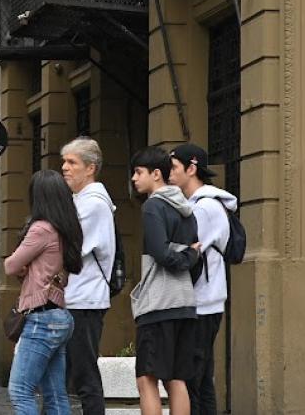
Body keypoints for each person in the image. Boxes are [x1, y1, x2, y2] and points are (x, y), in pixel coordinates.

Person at [3, 169, 83, 415]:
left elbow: (11, 265)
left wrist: (23, 265)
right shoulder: (67, 229)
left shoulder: (41, 229)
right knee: (55, 394)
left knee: (20, 390)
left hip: (41, 318)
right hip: (59, 316)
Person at [129, 146, 201, 415]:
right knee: (176, 379)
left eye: (139, 172)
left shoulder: (152, 206)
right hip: (185, 302)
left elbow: (159, 252)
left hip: (158, 304)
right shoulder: (186, 208)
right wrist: (190, 256)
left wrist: (186, 258)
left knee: (146, 379)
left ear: (156, 174)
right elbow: (194, 253)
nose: (134, 178)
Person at [169, 144, 236, 415]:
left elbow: (186, 250)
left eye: (174, 167)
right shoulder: (198, 204)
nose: (169, 172)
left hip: (202, 302)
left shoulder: (205, 207)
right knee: (202, 378)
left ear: (191, 168)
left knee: (192, 379)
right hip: (203, 301)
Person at [60, 137, 117, 415]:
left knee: (84, 376)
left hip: (84, 299)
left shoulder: (93, 204)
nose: (65, 167)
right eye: (64, 162)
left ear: (90, 168)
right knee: (60, 375)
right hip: (75, 298)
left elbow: (70, 248)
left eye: (72, 162)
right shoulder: (80, 201)